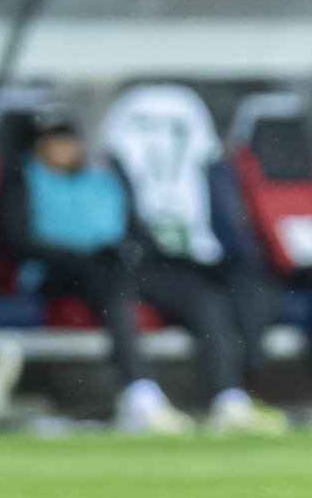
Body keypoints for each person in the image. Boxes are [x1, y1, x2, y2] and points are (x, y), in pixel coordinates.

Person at [98, 85, 289, 436]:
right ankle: (145, 399)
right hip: (134, 265)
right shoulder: (111, 174)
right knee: (128, 293)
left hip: (188, 263)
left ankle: (234, 395)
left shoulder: (211, 171)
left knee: (229, 296)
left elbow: (227, 228)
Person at [0, 107, 197, 435]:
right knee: (115, 288)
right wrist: (87, 256)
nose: (64, 148)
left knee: (198, 288)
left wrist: (127, 254)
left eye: (68, 140)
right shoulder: (24, 178)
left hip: (120, 267)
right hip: (60, 274)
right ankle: (140, 394)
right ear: (38, 147)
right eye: (54, 141)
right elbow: (22, 241)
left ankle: (230, 397)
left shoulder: (106, 176)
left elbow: (139, 234)